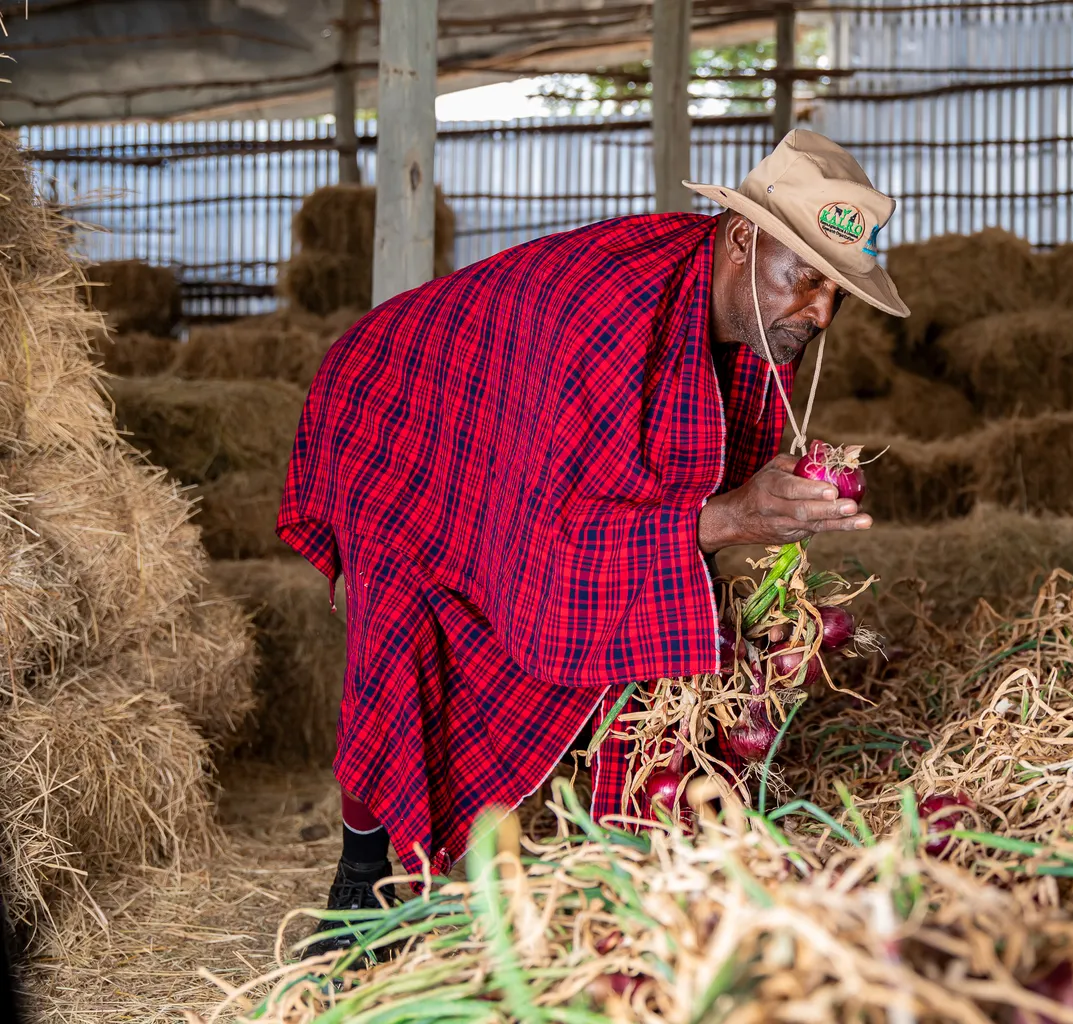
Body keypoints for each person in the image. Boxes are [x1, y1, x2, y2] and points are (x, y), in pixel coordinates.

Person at [277, 130, 910, 942]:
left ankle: (632, 854)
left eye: (838, 292)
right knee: (403, 643)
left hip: (502, 423)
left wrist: (767, 518)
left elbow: (658, 498)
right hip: (400, 414)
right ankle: (361, 883)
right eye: (807, 278)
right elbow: (556, 540)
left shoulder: (753, 314)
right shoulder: (608, 318)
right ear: (745, 237)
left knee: (632, 610)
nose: (820, 311)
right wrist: (737, 517)